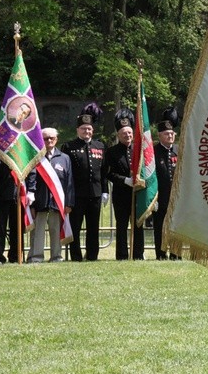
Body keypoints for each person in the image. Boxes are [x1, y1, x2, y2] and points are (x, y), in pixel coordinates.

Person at [61, 103, 108, 261]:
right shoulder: (69, 147)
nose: (86, 132)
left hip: (95, 193)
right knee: (75, 226)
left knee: (93, 227)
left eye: (89, 129)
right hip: (77, 194)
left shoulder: (100, 146)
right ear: (77, 130)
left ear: (92, 130)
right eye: (83, 129)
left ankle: (92, 255)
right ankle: (76, 256)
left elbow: (103, 171)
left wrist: (105, 191)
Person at [27, 128, 74, 263]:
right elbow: (31, 179)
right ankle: (36, 257)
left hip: (57, 202)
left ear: (56, 139)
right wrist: (31, 202)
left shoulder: (64, 158)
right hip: (39, 201)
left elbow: (69, 182)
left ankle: (56, 257)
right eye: (46, 138)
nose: (49, 141)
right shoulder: (35, 158)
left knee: (55, 230)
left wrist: (69, 203)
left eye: (51, 138)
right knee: (37, 232)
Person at [103, 108, 144, 260]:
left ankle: (138, 254)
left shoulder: (138, 150)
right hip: (121, 195)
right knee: (121, 226)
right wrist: (124, 180)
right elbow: (109, 173)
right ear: (118, 135)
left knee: (138, 226)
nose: (127, 135)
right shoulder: (112, 152)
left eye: (129, 133)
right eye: (124, 133)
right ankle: (121, 255)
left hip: (137, 193)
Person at [153, 107, 180, 260]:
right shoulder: (154, 152)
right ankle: (161, 254)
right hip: (160, 197)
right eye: (166, 134)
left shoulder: (179, 150)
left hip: (176, 198)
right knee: (160, 228)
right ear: (160, 135)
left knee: (176, 228)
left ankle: (176, 254)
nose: (170, 136)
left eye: (171, 133)